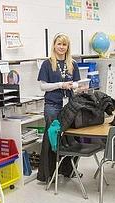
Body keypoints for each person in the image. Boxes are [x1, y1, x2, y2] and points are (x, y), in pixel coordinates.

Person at [36, 33, 81, 182]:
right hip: (52, 105)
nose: (61, 47)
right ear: (54, 45)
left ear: (68, 47)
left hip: (69, 105)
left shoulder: (72, 63)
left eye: (64, 44)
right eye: (59, 44)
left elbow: (77, 83)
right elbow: (43, 86)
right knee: (51, 138)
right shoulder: (47, 64)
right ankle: (48, 174)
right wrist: (60, 85)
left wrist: (74, 86)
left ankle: (68, 171)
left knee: (70, 137)